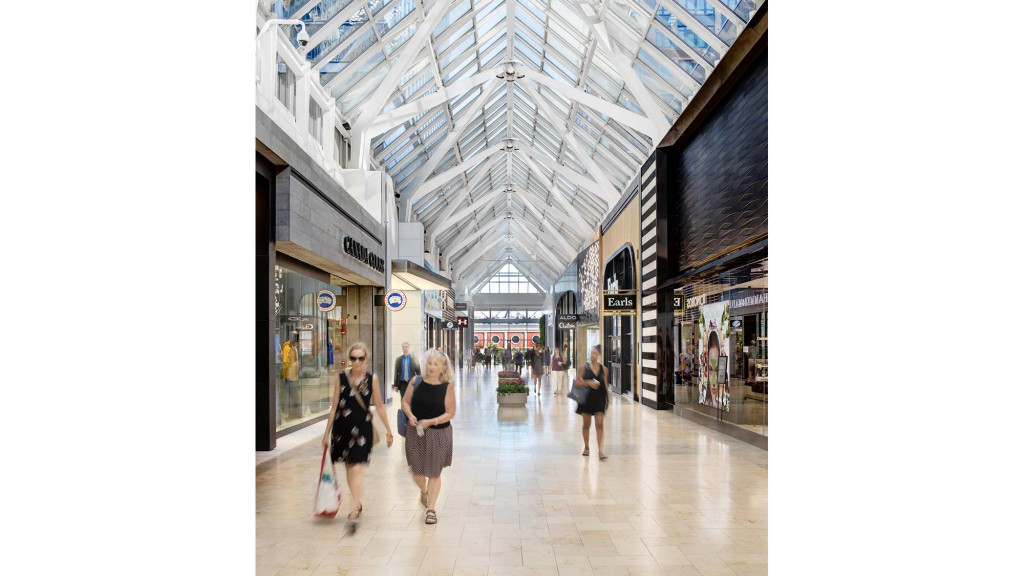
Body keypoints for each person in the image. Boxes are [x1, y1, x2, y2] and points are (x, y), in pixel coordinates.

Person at [321, 342, 394, 529]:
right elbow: (334, 405)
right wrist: (326, 432)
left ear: (366, 359)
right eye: (353, 358)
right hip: (342, 429)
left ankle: (353, 511)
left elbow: (378, 405)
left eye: (360, 358)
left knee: (356, 468)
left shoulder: (372, 379)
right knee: (349, 467)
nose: (357, 362)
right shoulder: (340, 378)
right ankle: (357, 502)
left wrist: (388, 429)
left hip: (362, 429)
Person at [402, 348, 456, 525]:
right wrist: (410, 415)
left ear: (443, 368)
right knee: (417, 472)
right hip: (415, 432)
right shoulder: (415, 381)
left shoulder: (446, 387)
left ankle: (431, 509)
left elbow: (450, 413)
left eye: (436, 364)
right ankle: (423, 491)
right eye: (429, 363)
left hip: (439, 434)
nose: (432, 367)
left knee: (434, 472)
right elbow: (405, 401)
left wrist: (431, 421)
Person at [573, 346, 609, 460]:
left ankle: (601, 451)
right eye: (591, 353)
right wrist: (588, 382)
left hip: (599, 398)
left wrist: (607, 399)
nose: (593, 355)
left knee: (599, 423)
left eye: (595, 353)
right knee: (586, 424)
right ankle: (587, 447)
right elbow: (576, 383)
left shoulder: (604, 369)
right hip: (586, 399)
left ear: (599, 355)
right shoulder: (583, 368)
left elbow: (606, 385)